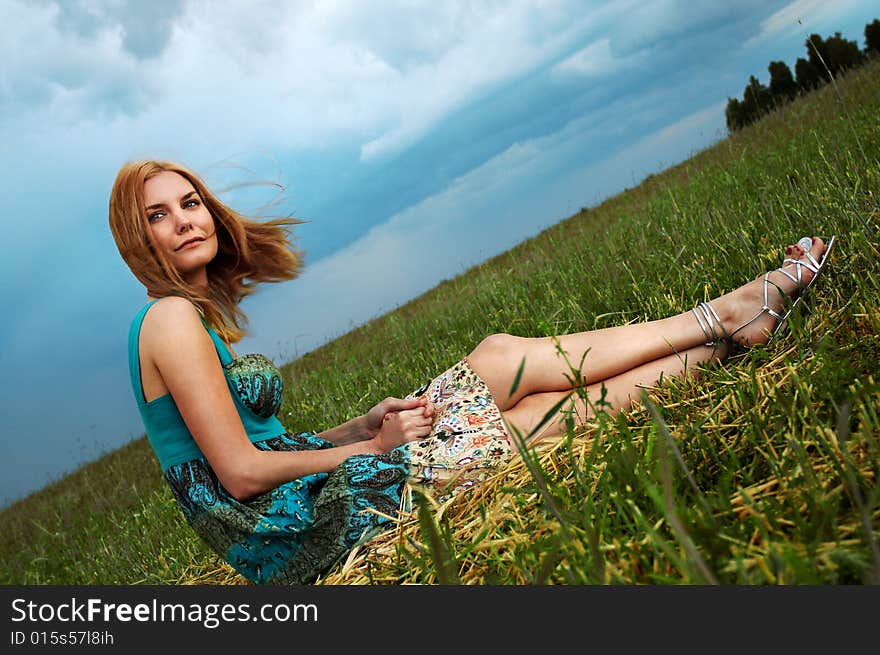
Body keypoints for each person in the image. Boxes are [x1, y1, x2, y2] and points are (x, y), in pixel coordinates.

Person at [109, 160, 834, 585]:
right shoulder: (169, 320)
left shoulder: (187, 317)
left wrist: (359, 423)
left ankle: (724, 333)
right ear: (136, 238)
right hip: (292, 534)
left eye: (191, 201)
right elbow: (236, 474)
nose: (185, 219)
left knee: (498, 365)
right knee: (514, 405)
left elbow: (257, 446)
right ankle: (728, 315)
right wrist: (371, 449)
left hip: (300, 503)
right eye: (159, 215)